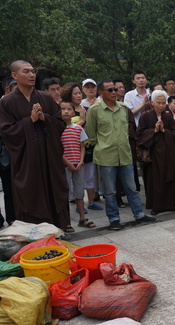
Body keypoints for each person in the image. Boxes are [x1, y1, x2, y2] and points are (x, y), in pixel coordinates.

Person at [0, 60, 70, 231]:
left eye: (33, 71)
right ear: (15, 75)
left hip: (49, 157)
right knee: (30, 193)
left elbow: (61, 123)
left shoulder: (45, 97)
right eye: (26, 71)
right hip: (27, 160)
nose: (32, 75)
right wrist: (29, 121)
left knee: (55, 188)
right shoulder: (7, 102)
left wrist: (45, 118)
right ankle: (33, 232)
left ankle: (59, 227)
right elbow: (6, 131)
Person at [86, 79, 157, 230]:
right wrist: (101, 145)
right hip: (106, 156)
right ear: (101, 93)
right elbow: (91, 135)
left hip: (124, 154)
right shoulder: (94, 110)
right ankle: (114, 219)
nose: (114, 92)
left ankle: (139, 215)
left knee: (132, 188)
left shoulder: (123, 108)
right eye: (110, 90)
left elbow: (127, 130)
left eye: (115, 89)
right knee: (110, 191)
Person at [136, 90, 175, 215]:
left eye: (163, 103)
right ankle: (156, 206)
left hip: (168, 153)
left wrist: (164, 130)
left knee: (169, 177)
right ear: (152, 102)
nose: (161, 105)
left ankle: (170, 204)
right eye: (158, 103)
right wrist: (154, 130)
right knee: (155, 179)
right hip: (154, 154)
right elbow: (139, 135)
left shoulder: (168, 116)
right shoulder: (146, 115)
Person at [60, 101, 96, 230]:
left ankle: (82, 218)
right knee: (65, 193)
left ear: (73, 112)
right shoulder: (58, 129)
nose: (66, 111)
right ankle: (66, 222)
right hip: (65, 165)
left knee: (79, 192)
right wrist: (67, 162)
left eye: (69, 109)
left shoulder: (78, 128)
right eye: (62, 109)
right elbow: (57, 149)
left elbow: (82, 146)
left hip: (78, 165)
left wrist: (81, 161)